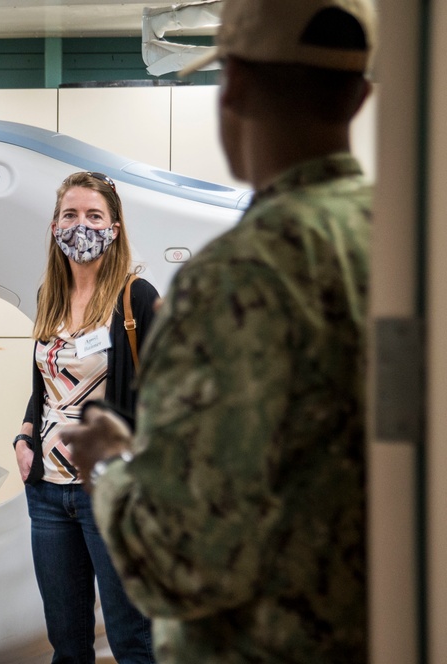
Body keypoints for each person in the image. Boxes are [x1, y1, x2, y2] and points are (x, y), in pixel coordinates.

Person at [63, 1, 375, 662]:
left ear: (232, 87)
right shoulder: (406, 241)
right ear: (360, 97)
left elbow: (180, 561)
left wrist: (110, 465)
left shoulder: (238, 276)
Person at [13, 171, 159, 664]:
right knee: (67, 642)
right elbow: (45, 388)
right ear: (55, 226)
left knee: (132, 639)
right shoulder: (49, 297)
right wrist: (24, 437)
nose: (82, 226)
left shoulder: (135, 298)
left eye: (94, 216)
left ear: (114, 228)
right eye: (70, 215)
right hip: (48, 494)